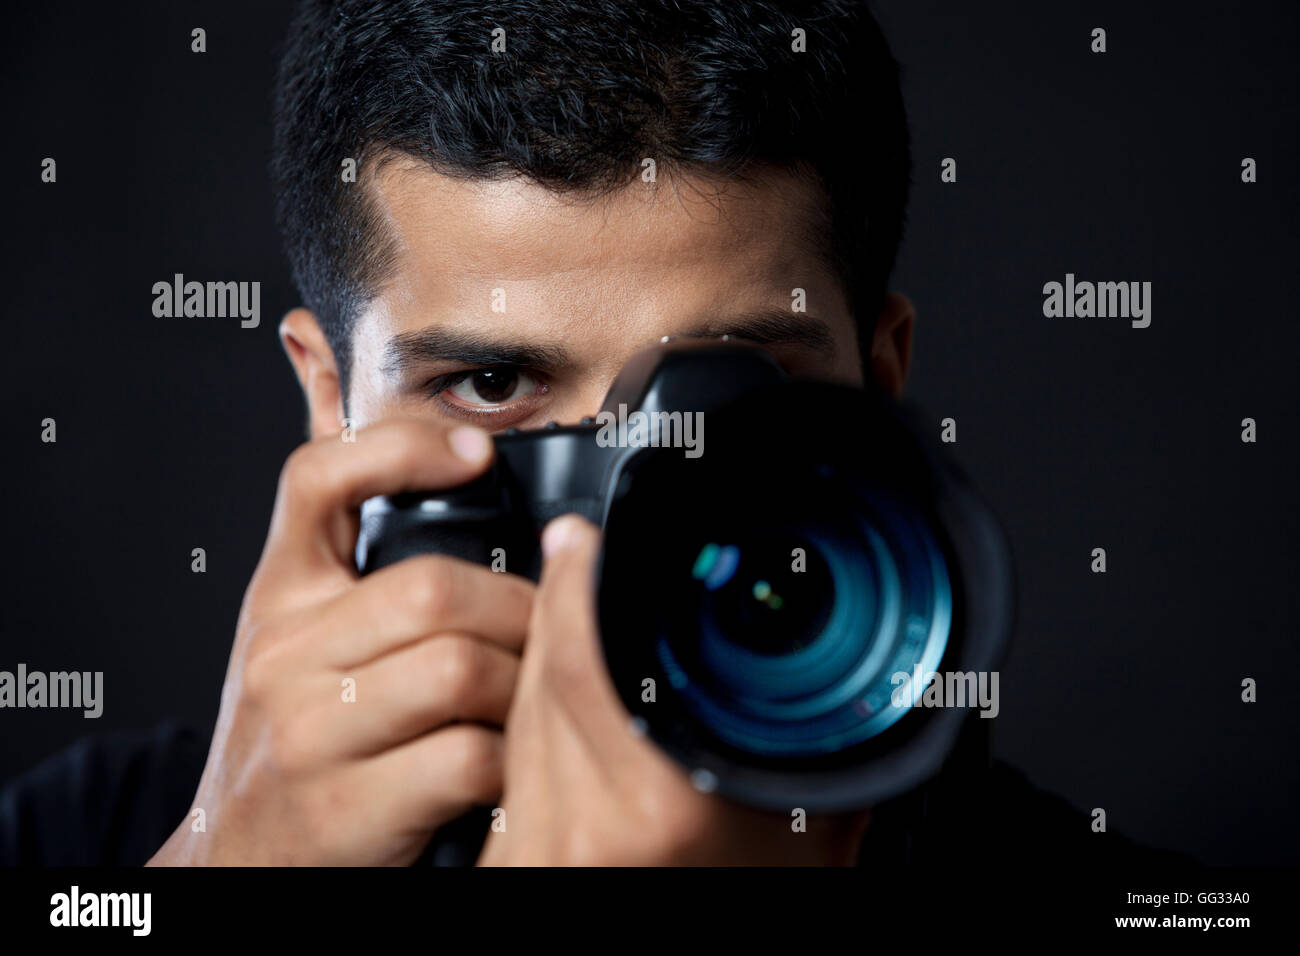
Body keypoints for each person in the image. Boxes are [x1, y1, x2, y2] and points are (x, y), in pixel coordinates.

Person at [0, 0, 1191, 867]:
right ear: (331, 404)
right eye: (491, 382)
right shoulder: (84, 855)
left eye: (723, 390)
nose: (617, 524)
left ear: (876, 386)